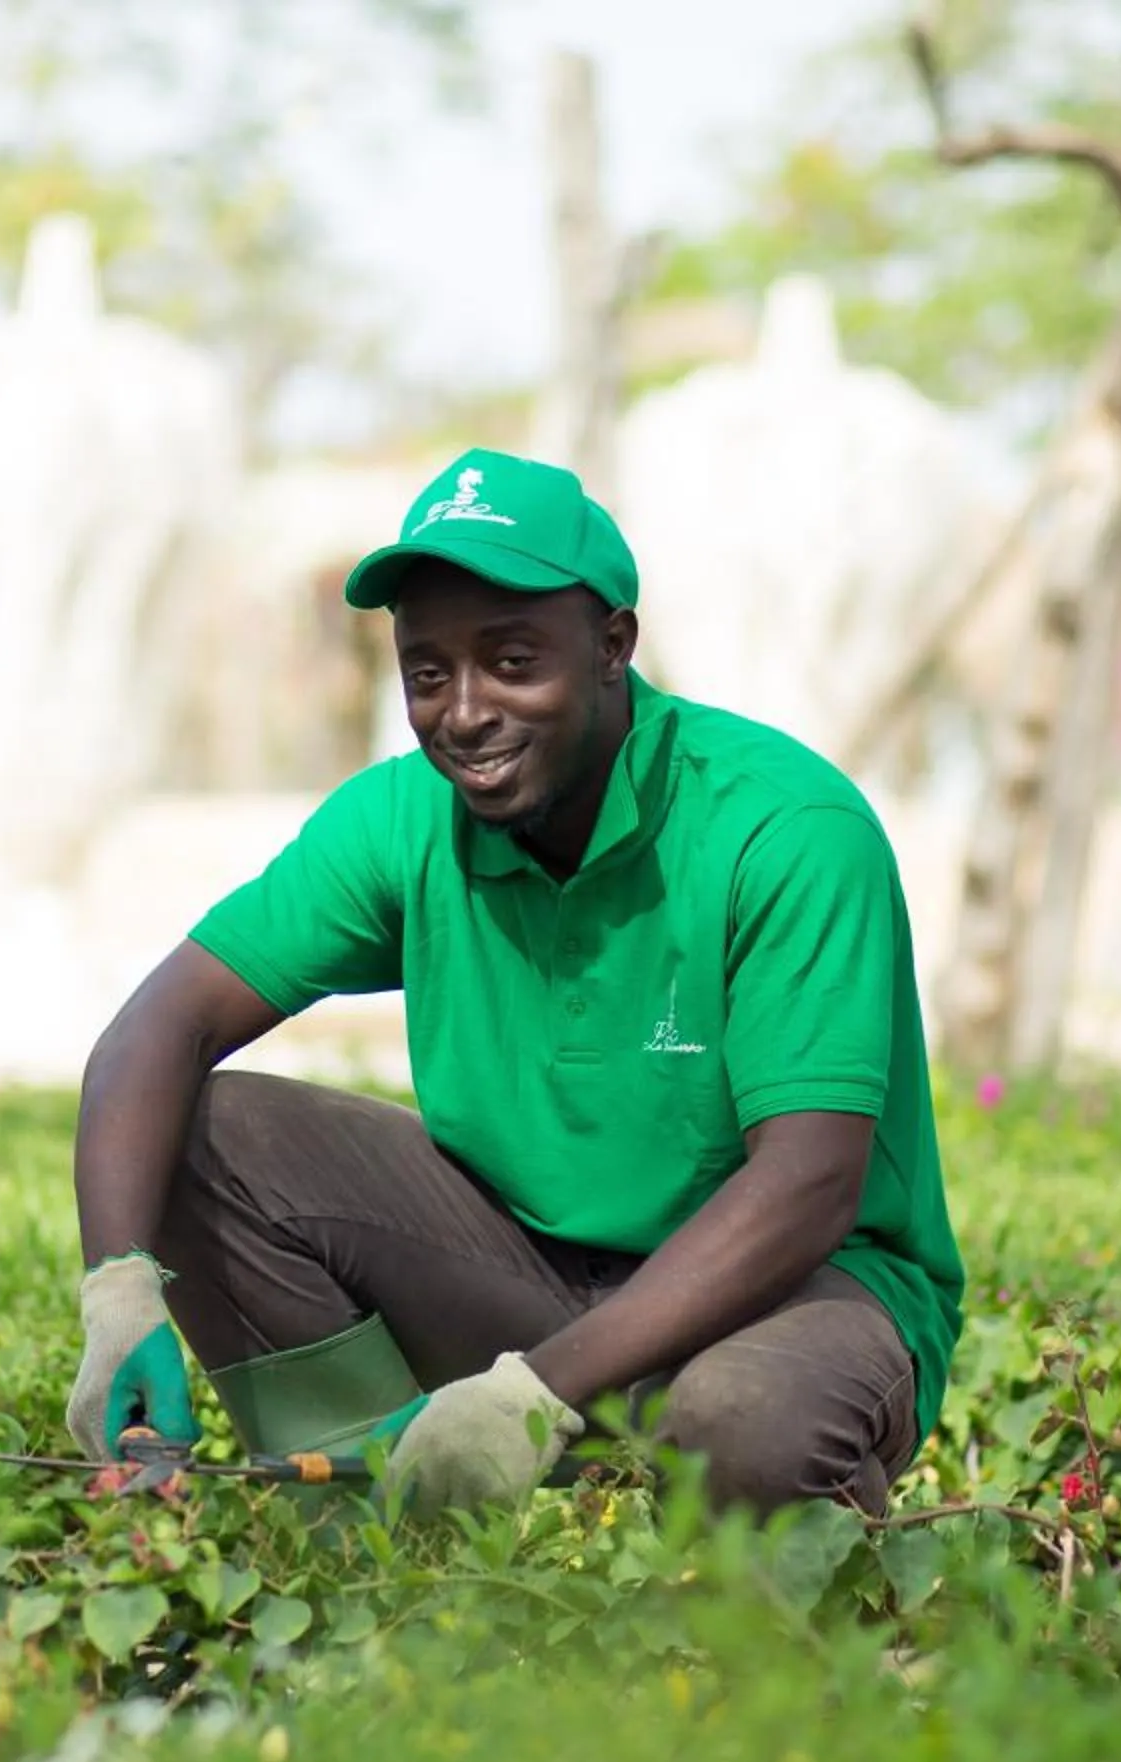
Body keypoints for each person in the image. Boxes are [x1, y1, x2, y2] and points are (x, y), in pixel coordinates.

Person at [64, 446, 966, 1521]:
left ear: (613, 646)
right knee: (210, 1134)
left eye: (512, 661)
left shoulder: (782, 829)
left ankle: (765, 1579)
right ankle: (370, 1532)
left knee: (745, 1417)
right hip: (526, 1279)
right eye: (427, 673)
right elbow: (161, 1026)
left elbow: (809, 1186)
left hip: (789, 1295)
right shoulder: (402, 820)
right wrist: (118, 1290)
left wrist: (534, 1390)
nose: (465, 711)